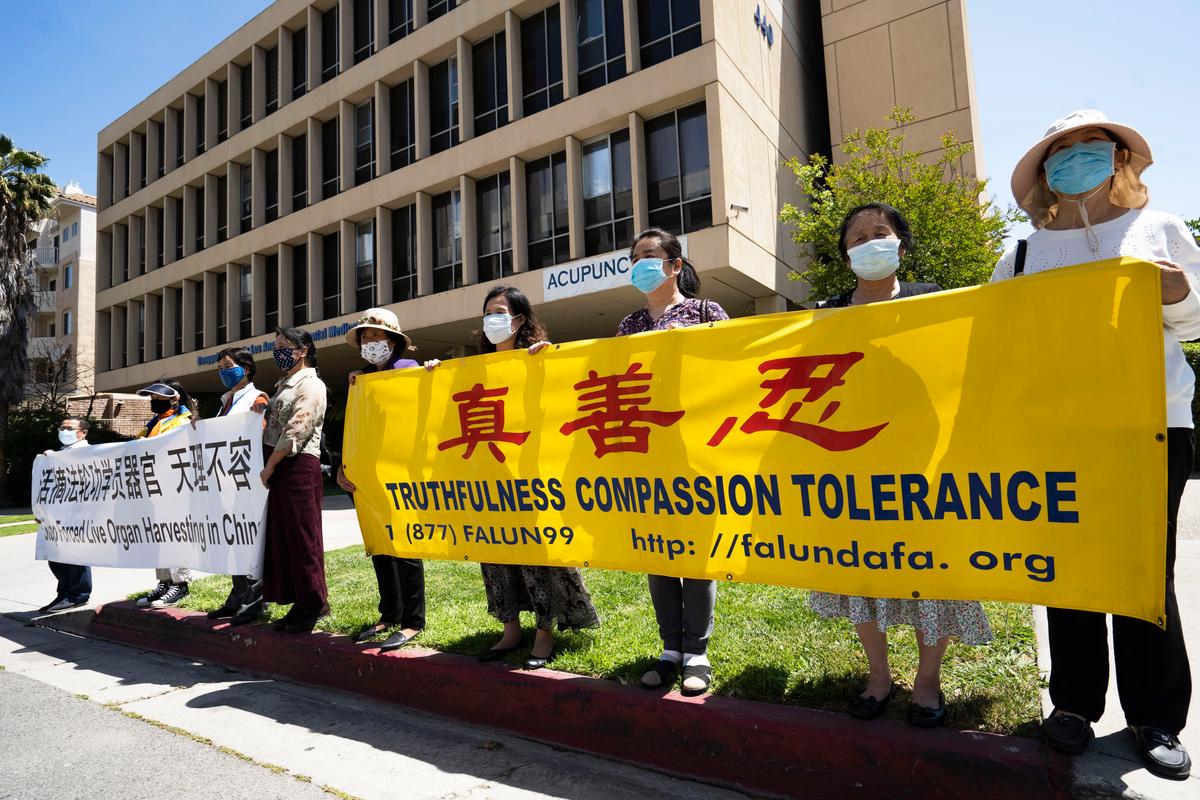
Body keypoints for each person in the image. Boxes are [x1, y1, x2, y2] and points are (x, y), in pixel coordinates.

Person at [992, 110, 1199, 779]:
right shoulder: (1022, 255)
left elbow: (1195, 320)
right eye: (1064, 148)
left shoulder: (1159, 228)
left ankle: (1155, 717)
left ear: (1119, 159)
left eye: (1093, 145)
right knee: (1068, 567)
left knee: (1145, 571)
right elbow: (993, 342)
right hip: (1057, 431)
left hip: (1152, 424)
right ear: (1045, 171)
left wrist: (1177, 294)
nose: (1078, 155)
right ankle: (1074, 704)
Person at [807, 203, 992, 727]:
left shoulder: (934, 301)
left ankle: (927, 682)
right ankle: (879, 677)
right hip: (851, 466)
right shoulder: (825, 314)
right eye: (857, 237)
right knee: (860, 573)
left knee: (931, 573)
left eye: (880, 232)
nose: (869, 241)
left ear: (901, 247)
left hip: (925, 462)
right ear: (846, 255)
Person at [617, 227, 730, 696]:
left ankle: (697, 651)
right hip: (647, 453)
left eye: (649, 255)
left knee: (697, 553)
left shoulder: (706, 312)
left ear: (675, 265)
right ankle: (670, 648)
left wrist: (696, 347)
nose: (640, 264)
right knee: (658, 550)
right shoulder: (628, 325)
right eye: (634, 258)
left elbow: (730, 370)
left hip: (697, 451)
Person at [467, 286, 600, 670]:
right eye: (487, 312)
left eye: (500, 311)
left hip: (530, 476)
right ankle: (510, 629)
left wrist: (547, 362)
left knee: (537, 555)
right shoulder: (474, 369)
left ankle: (545, 633)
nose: (492, 319)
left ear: (520, 319)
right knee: (495, 555)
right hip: (489, 477)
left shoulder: (537, 359)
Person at [337, 308, 427, 652]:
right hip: (367, 475)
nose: (370, 342)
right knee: (379, 545)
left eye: (376, 336)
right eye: (365, 337)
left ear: (392, 340)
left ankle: (412, 621)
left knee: (404, 545)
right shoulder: (359, 380)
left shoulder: (408, 369)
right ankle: (389, 613)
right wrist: (343, 466)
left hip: (400, 472)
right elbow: (356, 429)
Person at [261, 327, 330, 633]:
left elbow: (297, 429)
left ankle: (314, 603)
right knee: (286, 539)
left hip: (298, 465)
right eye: (276, 347)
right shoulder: (283, 385)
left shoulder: (311, 384)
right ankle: (300, 602)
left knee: (304, 539)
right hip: (281, 467)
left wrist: (270, 467)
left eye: (285, 346)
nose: (279, 352)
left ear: (303, 351)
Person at [205, 348, 271, 626]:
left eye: (228, 366)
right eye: (220, 368)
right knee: (233, 540)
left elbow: (263, 422)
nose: (223, 372)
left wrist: (261, 411)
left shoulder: (257, 397)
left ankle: (254, 600)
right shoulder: (226, 401)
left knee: (250, 541)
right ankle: (237, 595)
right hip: (226, 482)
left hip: (246, 482)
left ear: (245, 368)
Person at [134, 380, 198, 608]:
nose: (154, 402)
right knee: (159, 537)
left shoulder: (183, 421)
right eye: (153, 399)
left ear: (174, 399)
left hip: (174, 488)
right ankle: (164, 581)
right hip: (154, 488)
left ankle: (180, 585)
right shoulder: (154, 423)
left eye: (159, 399)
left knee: (176, 535)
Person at [38, 416, 93, 612]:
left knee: (75, 556)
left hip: (78, 514)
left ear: (83, 432)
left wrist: (56, 459)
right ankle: (64, 593)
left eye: (70, 428)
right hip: (57, 514)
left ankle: (78, 595)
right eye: (62, 427)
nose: (64, 431)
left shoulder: (88, 453)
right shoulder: (61, 452)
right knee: (56, 556)